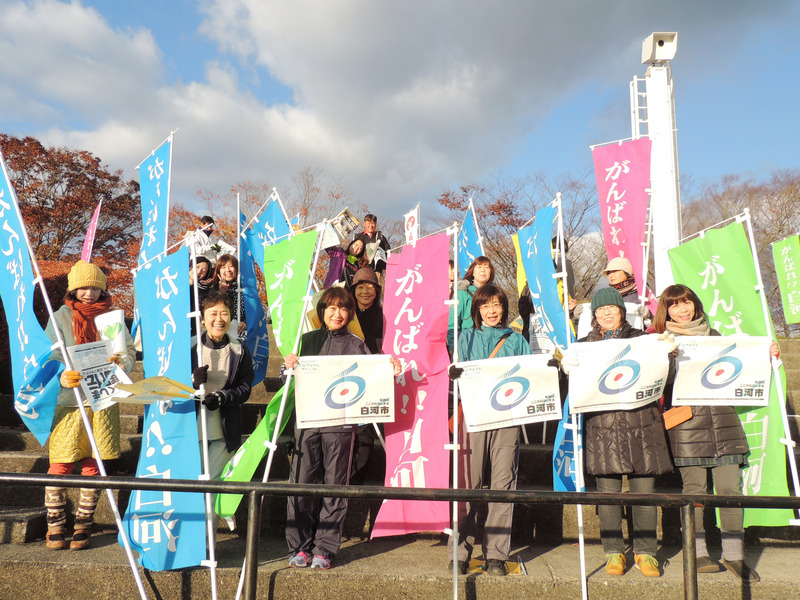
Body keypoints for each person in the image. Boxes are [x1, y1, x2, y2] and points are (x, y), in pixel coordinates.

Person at [653, 284, 779, 582]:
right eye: (674, 305)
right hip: (686, 426)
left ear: (695, 304)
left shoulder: (716, 336)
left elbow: (742, 368)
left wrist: (766, 355)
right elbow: (656, 383)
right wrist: (666, 358)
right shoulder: (660, 342)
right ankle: (696, 552)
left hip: (724, 422)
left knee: (730, 490)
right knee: (694, 491)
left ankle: (734, 555)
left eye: (686, 302)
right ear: (666, 311)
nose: (682, 309)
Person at [566, 287, 672, 577]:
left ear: (622, 311)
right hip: (602, 427)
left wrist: (668, 355)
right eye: (600, 309)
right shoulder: (584, 346)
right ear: (594, 315)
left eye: (611, 308)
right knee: (607, 496)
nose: (606, 313)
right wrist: (565, 368)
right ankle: (613, 551)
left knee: (644, 494)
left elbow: (664, 377)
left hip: (642, 424)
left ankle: (646, 553)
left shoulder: (643, 341)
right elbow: (572, 390)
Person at [43, 261, 136, 550]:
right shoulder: (60, 317)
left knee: (93, 464)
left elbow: (128, 352)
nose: (89, 293)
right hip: (69, 402)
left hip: (103, 400)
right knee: (60, 463)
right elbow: (48, 355)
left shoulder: (112, 317)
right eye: (83, 287)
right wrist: (61, 375)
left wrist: (122, 364)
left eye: (95, 287)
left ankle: (84, 524)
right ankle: (55, 524)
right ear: (73, 289)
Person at [283, 287, 371, 570]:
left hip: (340, 425)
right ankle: (299, 546)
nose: (337, 314)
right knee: (300, 484)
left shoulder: (357, 344)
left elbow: (372, 381)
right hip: (307, 422)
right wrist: (288, 366)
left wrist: (389, 367)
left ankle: (325, 548)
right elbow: (289, 382)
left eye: (343, 308)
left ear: (350, 313)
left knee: (335, 486)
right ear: (321, 311)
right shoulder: (307, 340)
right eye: (331, 308)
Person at [448, 284, 531, 576]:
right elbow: (456, 373)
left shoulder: (517, 339)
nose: (491, 311)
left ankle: (496, 554)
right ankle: (459, 552)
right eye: (485, 306)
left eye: (496, 305)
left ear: (504, 308)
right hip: (474, 415)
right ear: (477, 310)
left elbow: (530, 374)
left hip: (508, 417)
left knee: (503, 483)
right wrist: (455, 374)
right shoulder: (465, 337)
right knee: (468, 484)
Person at [191, 291, 254, 480]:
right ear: (203, 319)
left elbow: (245, 388)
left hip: (225, 429)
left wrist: (223, 397)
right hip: (192, 428)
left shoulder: (239, 349)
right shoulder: (189, 347)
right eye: (213, 313)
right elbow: (173, 383)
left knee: (213, 481)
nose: (219, 319)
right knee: (192, 482)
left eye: (224, 313)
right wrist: (192, 380)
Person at [447, 256, 495, 351]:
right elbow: (452, 324)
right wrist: (454, 348)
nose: (483, 270)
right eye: (479, 267)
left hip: (492, 345)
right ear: (472, 272)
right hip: (469, 346)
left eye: (486, 267)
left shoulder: (496, 295)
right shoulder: (462, 293)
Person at [212, 254, 246, 341]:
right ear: (218, 271)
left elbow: (253, 309)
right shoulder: (212, 289)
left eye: (231, 266)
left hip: (242, 334)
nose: (228, 270)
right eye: (223, 267)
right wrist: (222, 292)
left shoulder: (244, 288)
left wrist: (246, 322)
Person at [351, 267, 384, 354]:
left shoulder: (384, 316)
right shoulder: (348, 315)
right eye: (360, 287)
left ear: (376, 291)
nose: (365, 291)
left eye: (369, 287)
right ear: (354, 291)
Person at [189, 256, 213, 335]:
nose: (199, 272)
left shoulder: (202, 290)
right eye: (197, 267)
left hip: (192, 328)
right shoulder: (177, 284)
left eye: (204, 271)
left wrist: (203, 288)